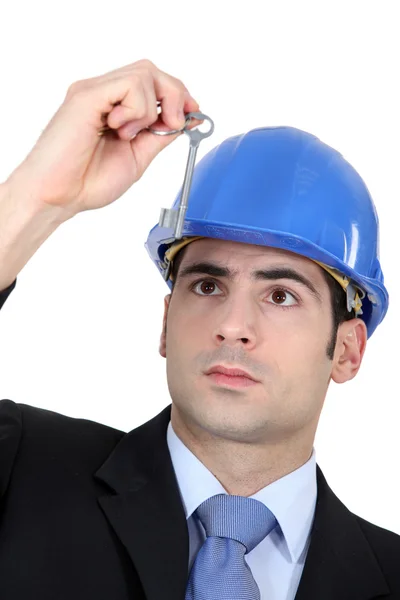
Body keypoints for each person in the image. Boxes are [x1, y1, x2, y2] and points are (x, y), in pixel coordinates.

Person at [0, 59, 398, 600]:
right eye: (208, 287)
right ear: (166, 323)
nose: (232, 326)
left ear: (348, 351)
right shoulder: (20, 471)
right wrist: (35, 200)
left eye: (281, 295)